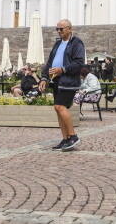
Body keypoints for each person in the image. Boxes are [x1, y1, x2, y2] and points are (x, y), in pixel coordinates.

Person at [39, 19, 85, 152]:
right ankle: (65, 139)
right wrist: (44, 78)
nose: (59, 31)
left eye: (61, 29)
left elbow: (79, 63)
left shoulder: (77, 43)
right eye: (57, 29)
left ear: (69, 29)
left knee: (59, 106)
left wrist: (62, 69)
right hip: (56, 81)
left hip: (68, 81)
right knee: (58, 109)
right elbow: (49, 63)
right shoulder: (57, 44)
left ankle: (73, 136)